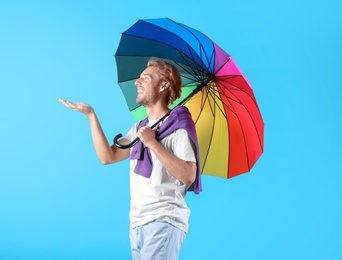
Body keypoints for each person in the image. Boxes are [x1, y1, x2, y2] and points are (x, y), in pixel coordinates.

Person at [59, 57, 201, 260]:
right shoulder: (140, 128)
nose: (137, 82)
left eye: (146, 77)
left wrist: (152, 143)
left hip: (164, 218)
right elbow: (108, 156)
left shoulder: (179, 125)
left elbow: (189, 176)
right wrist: (91, 115)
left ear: (164, 85)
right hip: (137, 222)